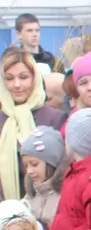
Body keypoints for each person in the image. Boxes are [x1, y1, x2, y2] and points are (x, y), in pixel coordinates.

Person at [0, 49, 67, 200]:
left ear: (35, 79)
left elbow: (60, 171)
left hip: (45, 209)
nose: (16, 85)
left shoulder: (55, 118)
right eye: (9, 78)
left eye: (23, 77)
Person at [20, 126, 67, 229]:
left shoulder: (66, 196)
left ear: (52, 163)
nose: (29, 171)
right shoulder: (31, 195)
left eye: (34, 164)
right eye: (26, 165)